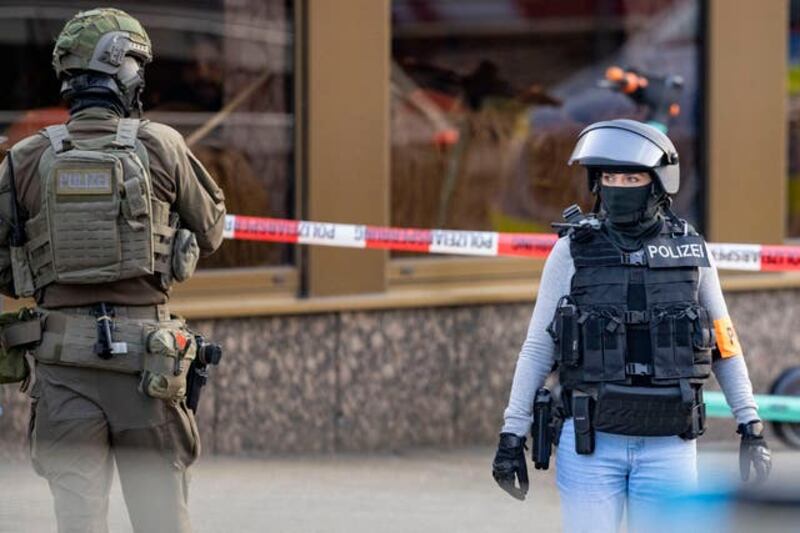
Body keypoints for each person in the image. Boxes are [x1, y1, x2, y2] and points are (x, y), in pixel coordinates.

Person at [0, 8, 226, 533]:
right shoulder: (161, 145)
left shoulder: (24, 159)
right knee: (161, 521)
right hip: (148, 373)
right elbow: (212, 230)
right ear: (123, 70)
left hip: (62, 371)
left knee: (77, 522)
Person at [491, 119, 772, 532]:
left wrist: (751, 425)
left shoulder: (690, 249)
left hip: (668, 447)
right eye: (609, 176)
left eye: (631, 176)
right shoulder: (572, 250)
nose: (618, 186)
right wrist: (511, 434)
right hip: (591, 445)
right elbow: (538, 347)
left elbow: (725, 346)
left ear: (657, 182)